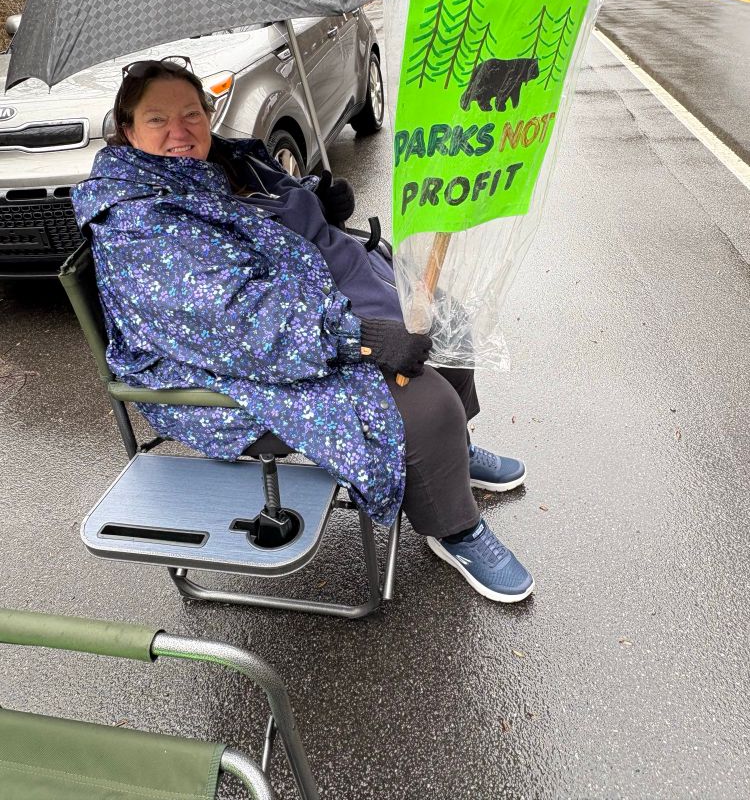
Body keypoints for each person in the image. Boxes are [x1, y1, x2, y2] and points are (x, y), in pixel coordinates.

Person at [71, 58, 534, 603]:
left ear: (208, 111)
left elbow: (279, 204)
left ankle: (450, 454)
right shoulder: (137, 220)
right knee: (424, 399)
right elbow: (233, 321)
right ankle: (455, 527)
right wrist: (360, 338)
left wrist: (318, 198)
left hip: (321, 294)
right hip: (244, 360)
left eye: (191, 113)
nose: (180, 131)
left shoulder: (227, 159)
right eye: (157, 120)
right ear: (127, 130)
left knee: (445, 322)